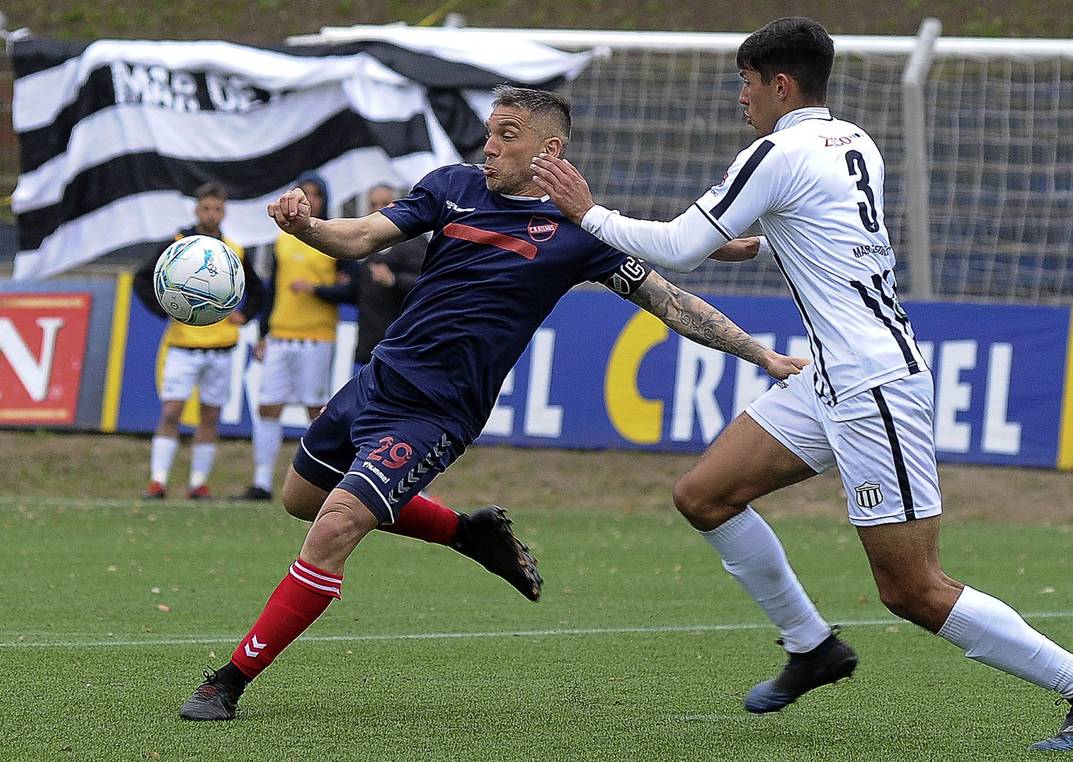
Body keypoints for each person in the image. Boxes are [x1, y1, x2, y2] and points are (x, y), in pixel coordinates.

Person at [532, 17, 1073, 753]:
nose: (740, 99)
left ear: (780, 84)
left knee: (911, 589)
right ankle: (811, 647)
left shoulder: (775, 150)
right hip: (834, 376)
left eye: (746, 84)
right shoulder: (853, 140)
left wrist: (584, 211)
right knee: (705, 494)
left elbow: (678, 249)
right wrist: (755, 240)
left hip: (873, 385)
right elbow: (820, 227)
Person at [180, 85, 809, 721]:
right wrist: (306, 226)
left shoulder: (579, 234)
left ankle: (228, 680)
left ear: (549, 149)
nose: (491, 145)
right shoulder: (451, 186)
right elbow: (364, 235)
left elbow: (672, 302)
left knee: (336, 524)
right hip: (376, 381)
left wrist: (762, 356)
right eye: (491, 131)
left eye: (508, 133)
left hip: (434, 414)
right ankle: (467, 533)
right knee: (301, 500)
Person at [133, 182, 264, 500]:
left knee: (209, 416)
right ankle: (159, 481)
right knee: (171, 412)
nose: (211, 214)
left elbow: (259, 291)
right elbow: (142, 279)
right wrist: (165, 308)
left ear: (224, 212)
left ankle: (198, 483)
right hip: (182, 346)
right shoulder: (179, 245)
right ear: (196, 209)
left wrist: (244, 315)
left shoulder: (233, 250)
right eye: (206, 208)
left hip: (221, 348)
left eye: (217, 209)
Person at [237, 171, 348, 501]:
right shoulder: (282, 240)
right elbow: (272, 290)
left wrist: (317, 290)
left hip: (316, 338)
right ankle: (261, 482)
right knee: (268, 406)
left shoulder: (335, 238)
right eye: (305, 194)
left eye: (316, 195)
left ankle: (320, 481)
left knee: (316, 411)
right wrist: (262, 331)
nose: (310, 200)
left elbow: (350, 288)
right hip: (280, 337)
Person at [291, 183, 427, 371]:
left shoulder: (415, 241)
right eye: (373, 204)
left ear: (397, 204)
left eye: (385, 203)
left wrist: (394, 280)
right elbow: (355, 293)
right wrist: (319, 288)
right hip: (366, 351)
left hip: (401, 353)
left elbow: (428, 287)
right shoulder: (367, 248)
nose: (378, 208)